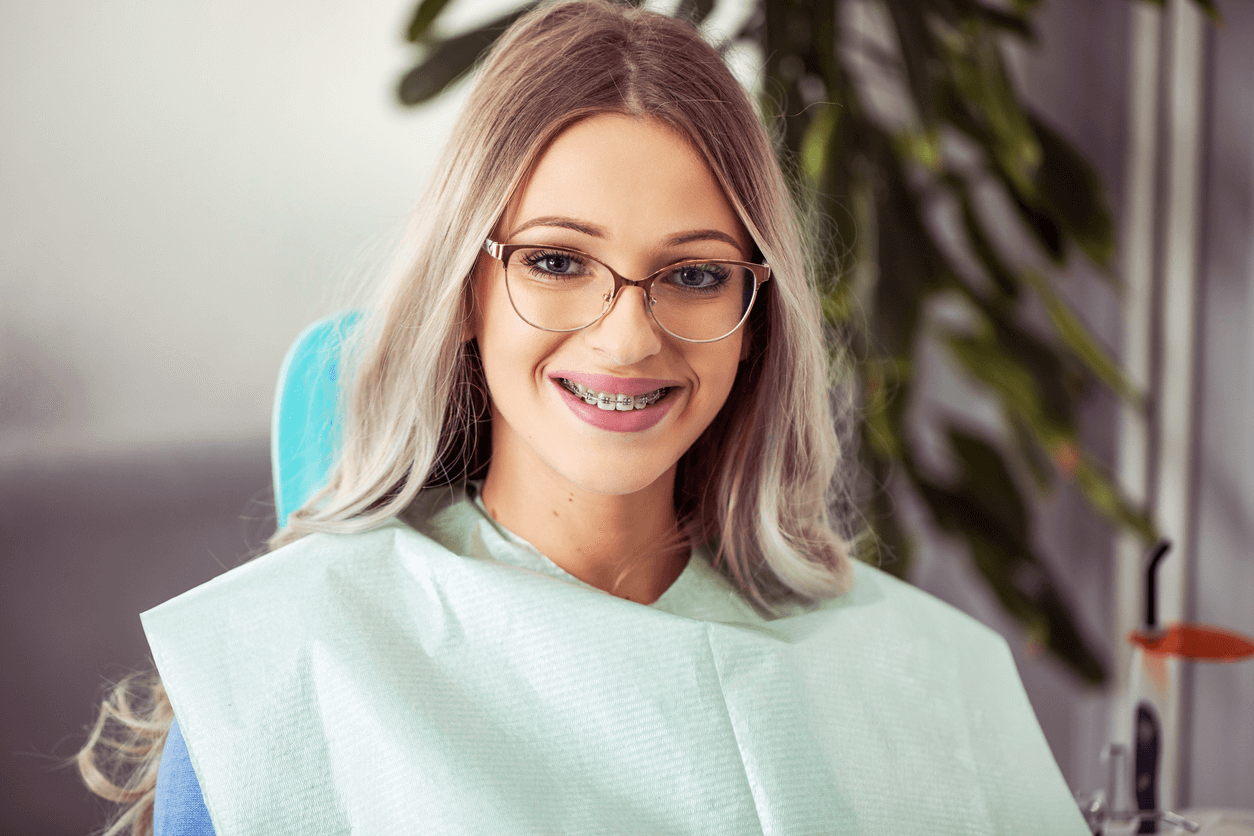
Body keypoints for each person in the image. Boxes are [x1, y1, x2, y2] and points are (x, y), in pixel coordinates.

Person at [77, 1, 1090, 834]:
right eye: (558, 261)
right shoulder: (282, 668)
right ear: (466, 288)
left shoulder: (925, 676)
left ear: (757, 323)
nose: (626, 339)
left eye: (693, 274)